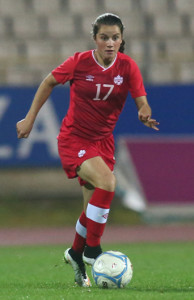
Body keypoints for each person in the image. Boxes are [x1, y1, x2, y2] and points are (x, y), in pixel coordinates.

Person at [16, 13, 159, 287]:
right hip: (75, 139)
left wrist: (143, 111)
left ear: (121, 39)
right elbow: (48, 82)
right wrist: (30, 118)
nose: (109, 43)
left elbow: (142, 101)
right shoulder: (79, 62)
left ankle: (75, 253)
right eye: (104, 37)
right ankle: (93, 250)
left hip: (103, 142)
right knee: (108, 182)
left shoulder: (127, 67)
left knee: (91, 208)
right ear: (95, 39)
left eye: (115, 37)